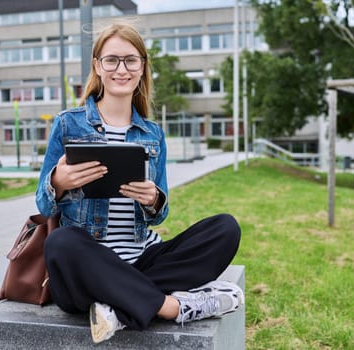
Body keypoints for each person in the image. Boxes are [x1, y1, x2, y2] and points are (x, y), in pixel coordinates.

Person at [36, 20, 244, 344]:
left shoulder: (152, 134)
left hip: (142, 259)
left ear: (142, 66)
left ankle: (119, 308)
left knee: (225, 229)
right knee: (60, 244)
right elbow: (42, 203)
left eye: (131, 60)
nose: (122, 69)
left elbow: (161, 215)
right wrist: (58, 182)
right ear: (97, 66)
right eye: (112, 60)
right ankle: (172, 306)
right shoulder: (68, 125)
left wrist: (153, 200)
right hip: (86, 265)